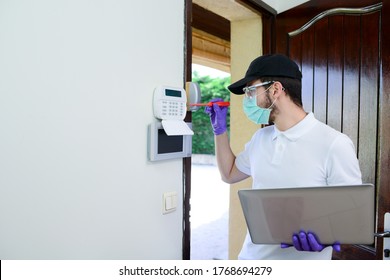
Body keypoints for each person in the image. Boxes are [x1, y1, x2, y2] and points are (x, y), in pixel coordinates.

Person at [204, 54, 362, 260]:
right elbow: (229, 174)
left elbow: (351, 214)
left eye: (251, 91)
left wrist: (326, 238)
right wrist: (220, 132)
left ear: (275, 90)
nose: (247, 99)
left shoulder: (334, 144)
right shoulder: (260, 138)